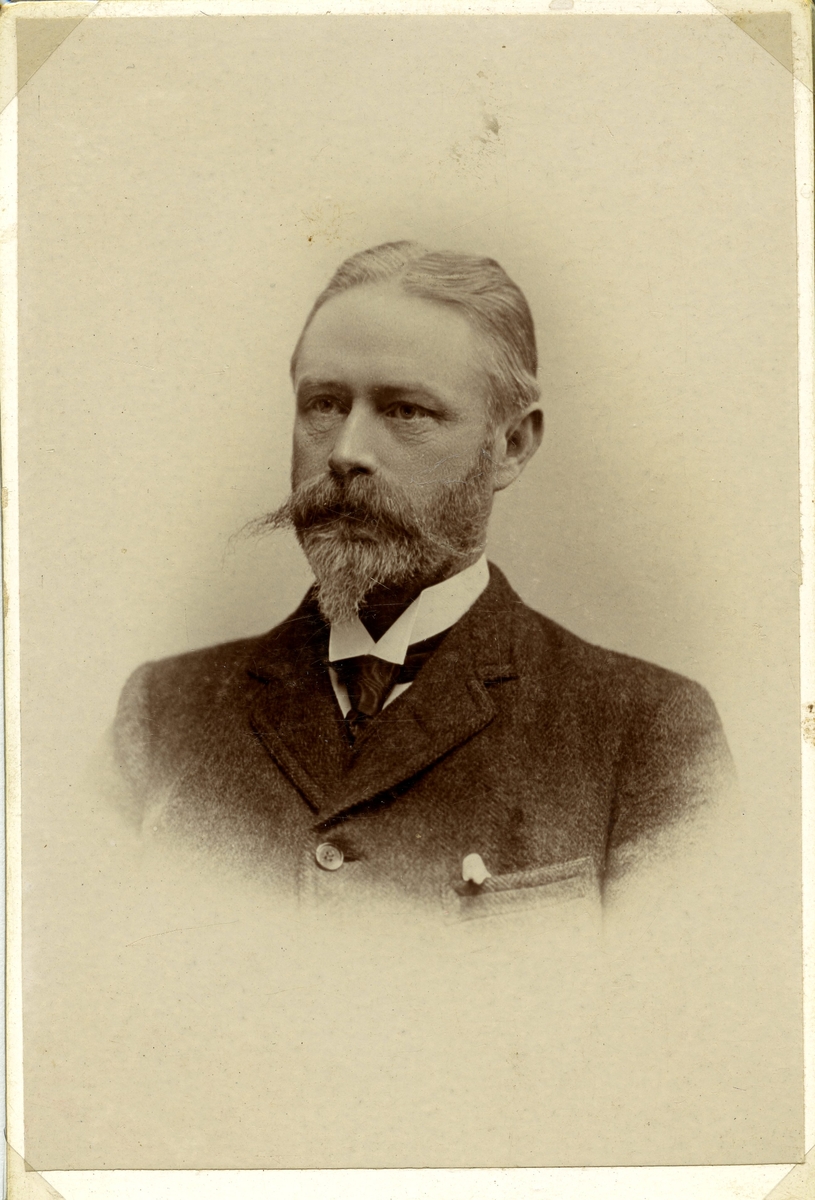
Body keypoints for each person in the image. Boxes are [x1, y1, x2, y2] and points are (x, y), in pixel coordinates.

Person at [111, 241, 735, 916]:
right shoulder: (162, 715)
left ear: (511, 445)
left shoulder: (645, 732)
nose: (346, 453)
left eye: (405, 411)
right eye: (324, 404)